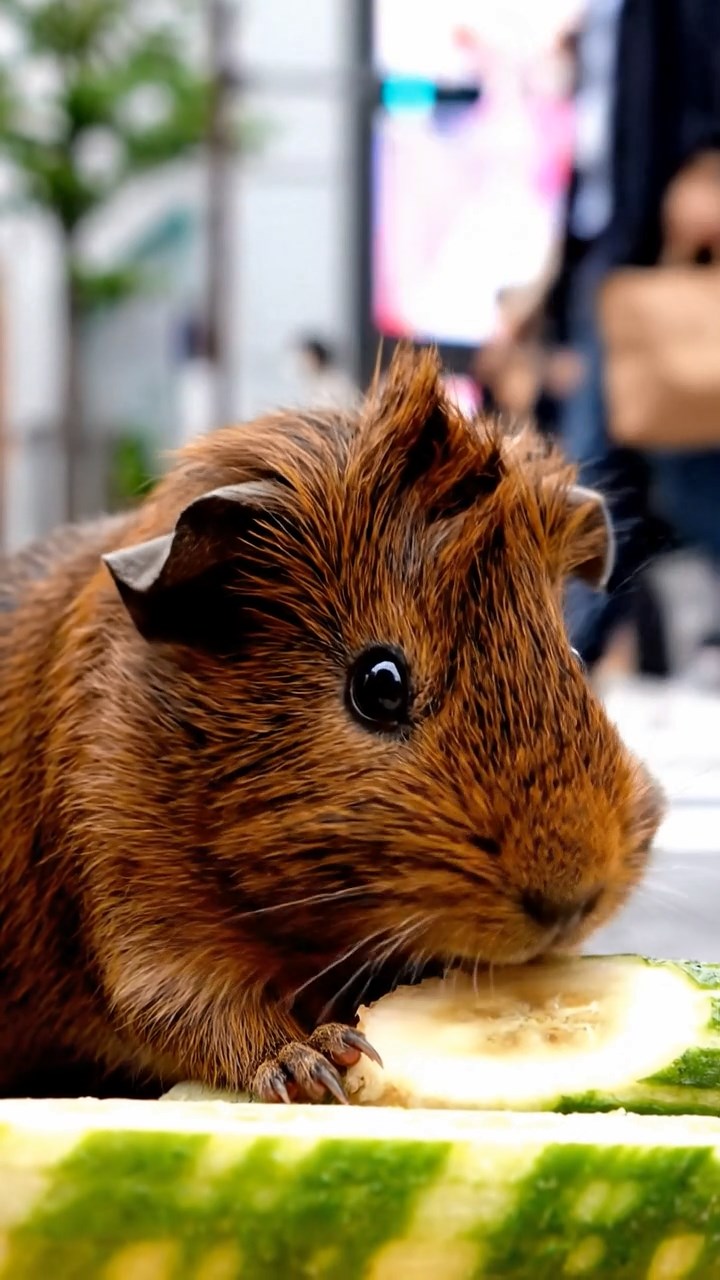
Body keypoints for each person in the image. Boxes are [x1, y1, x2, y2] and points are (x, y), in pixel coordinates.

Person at [510, 0, 720, 674]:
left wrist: (707, 160)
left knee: (613, 468)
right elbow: (597, 151)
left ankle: (559, 658)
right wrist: (556, 298)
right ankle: (566, 650)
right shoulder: (603, 17)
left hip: (653, 243)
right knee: (623, 468)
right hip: (612, 248)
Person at [290, 337, 360, 412]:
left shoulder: (338, 380)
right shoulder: (313, 383)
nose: (307, 364)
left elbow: (350, 404)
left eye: (310, 359)